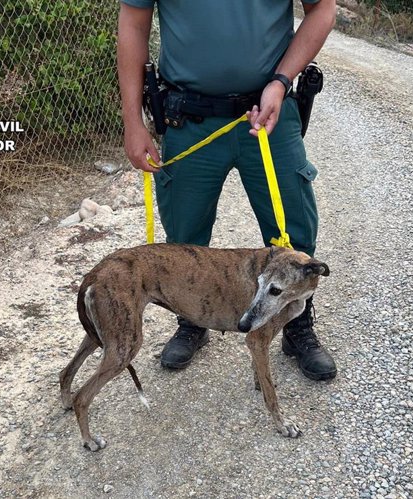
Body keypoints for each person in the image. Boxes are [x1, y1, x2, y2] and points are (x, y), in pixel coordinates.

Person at [117, 0, 337, 381]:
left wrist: (281, 80)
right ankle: (191, 319)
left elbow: (323, 8)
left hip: (269, 113)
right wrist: (132, 120)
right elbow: (134, 22)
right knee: (184, 237)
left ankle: (296, 324)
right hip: (188, 117)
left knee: (294, 230)